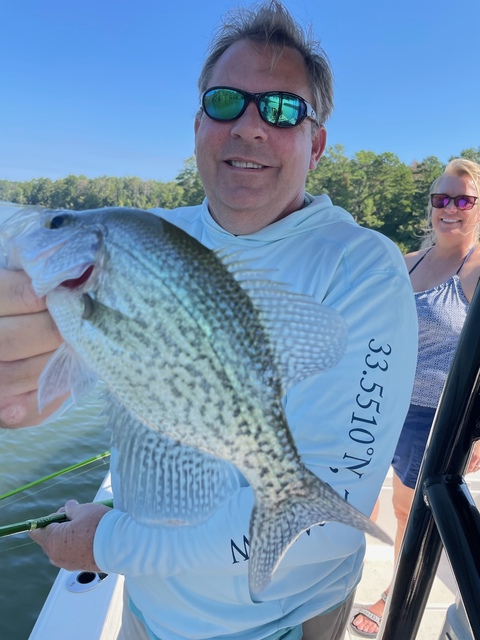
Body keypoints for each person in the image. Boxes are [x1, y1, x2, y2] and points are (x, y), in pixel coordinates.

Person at [0, 2, 418, 639]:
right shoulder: (143, 237)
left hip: (289, 620)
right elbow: (31, 288)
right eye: (227, 101)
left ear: (317, 142)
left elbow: (325, 531)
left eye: (281, 109)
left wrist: (106, 545)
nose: (250, 126)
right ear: (198, 123)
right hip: (150, 611)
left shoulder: (362, 267)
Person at [350, 157, 480, 638]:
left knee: (410, 510)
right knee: (361, 496)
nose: (449, 209)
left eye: (462, 200)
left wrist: (477, 434)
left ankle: (394, 596)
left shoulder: (476, 272)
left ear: (479, 208)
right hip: (378, 404)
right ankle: (342, 578)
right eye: (440, 199)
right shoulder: (407, 263)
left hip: (435, 417)